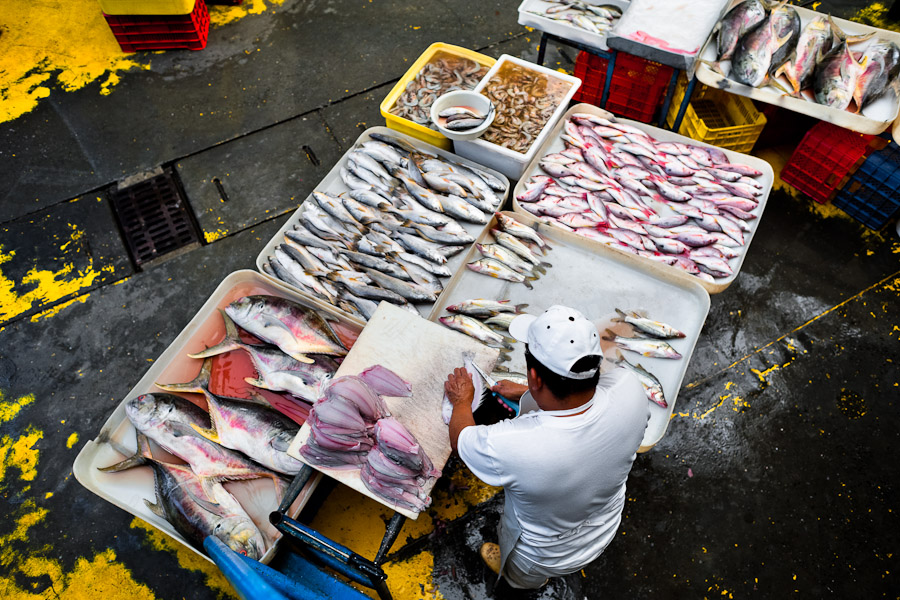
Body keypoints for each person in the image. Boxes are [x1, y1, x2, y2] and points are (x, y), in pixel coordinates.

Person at [444, 305, 650, 589]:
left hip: (542, 554)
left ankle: (522, 582)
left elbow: (462, 440)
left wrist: (462, 401)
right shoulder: (629, 387)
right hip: (606, 521)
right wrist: (526, 391)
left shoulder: (512, 445)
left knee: (520, 575)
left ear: (537, 377)